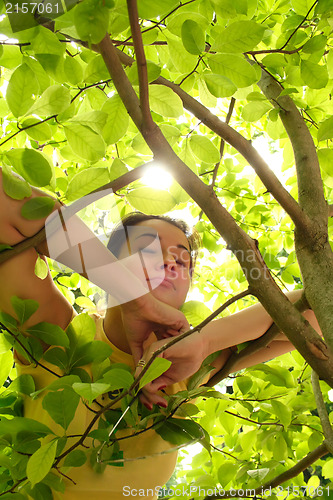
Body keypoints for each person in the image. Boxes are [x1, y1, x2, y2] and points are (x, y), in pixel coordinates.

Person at [0, 169, 321, 499]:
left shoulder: (191, 368)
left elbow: (322, 305)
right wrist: (135, 299)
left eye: (184, 259)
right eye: (147, 249)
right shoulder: (57, 338)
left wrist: (205, 340)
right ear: (105, 262)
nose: (171, 261)